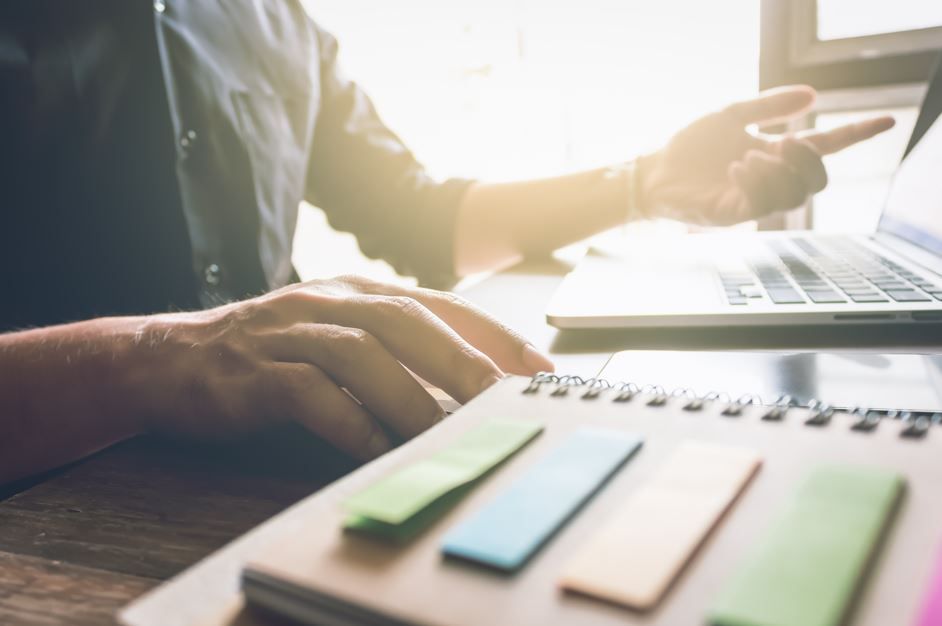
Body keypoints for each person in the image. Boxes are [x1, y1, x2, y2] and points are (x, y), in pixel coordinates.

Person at [0, 1, 893, 485]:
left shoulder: (280, 22)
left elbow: (421, 218)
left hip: (293, 467)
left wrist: (643, 182)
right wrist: (152, 359)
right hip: (50, 507)